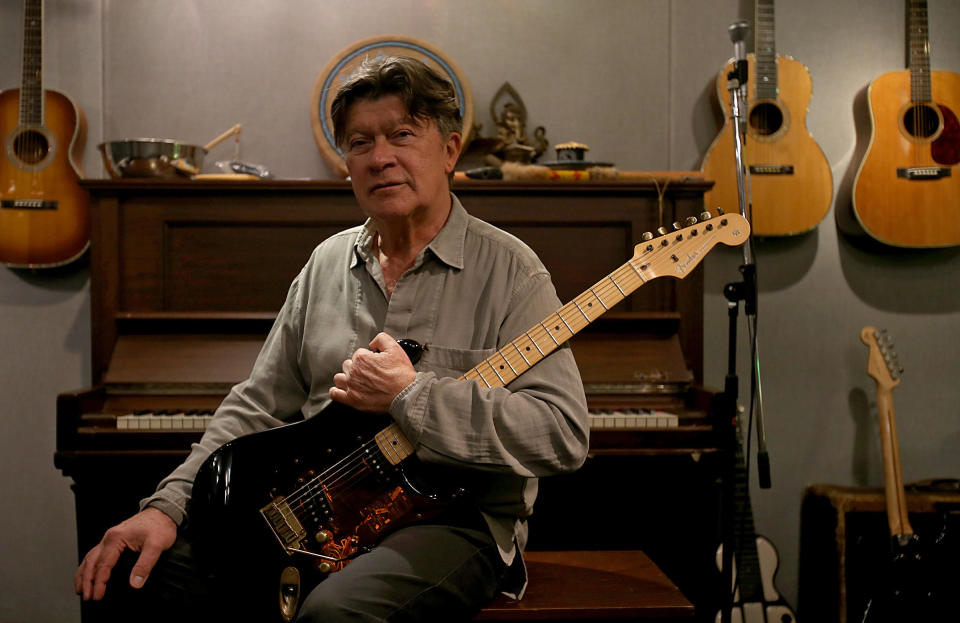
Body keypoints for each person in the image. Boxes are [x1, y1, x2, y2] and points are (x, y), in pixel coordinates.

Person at [74, 55, 589, 622]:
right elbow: (257, 404)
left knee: (334, 613)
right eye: (360, 142)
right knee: (130, 573)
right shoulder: (325, 262)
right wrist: (168, 507)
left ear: (449, 149)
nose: (380, 158)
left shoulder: (513, 271)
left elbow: (561, 435)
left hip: (451, 522)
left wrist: (411, 396)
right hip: (312, 513)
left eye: (402, 135)